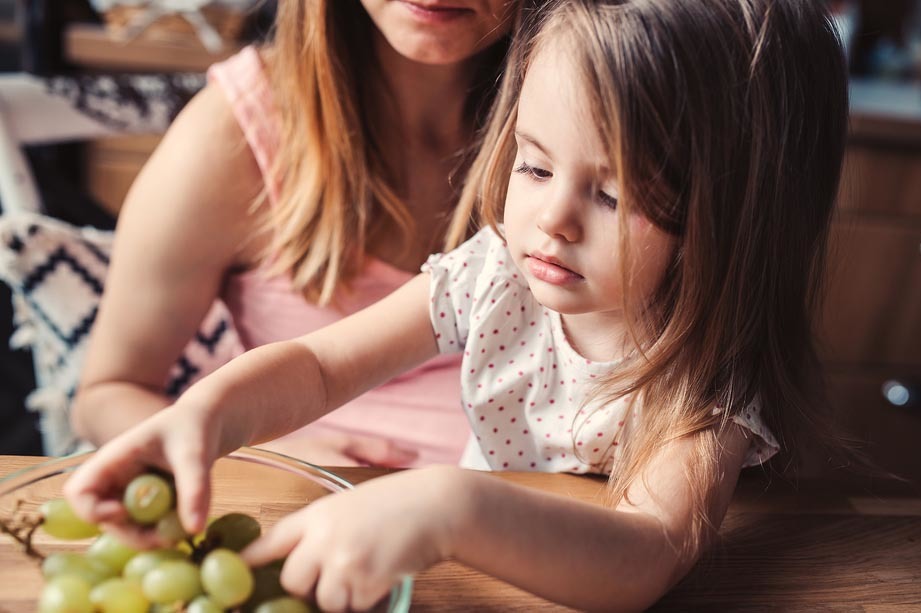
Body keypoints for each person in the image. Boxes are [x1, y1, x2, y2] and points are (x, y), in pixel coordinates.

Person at [65, 0, 853, 609]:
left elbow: (647, 552)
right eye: (535, 167)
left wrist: (444, 504)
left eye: (613, 193)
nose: (554, 220)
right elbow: (316, 366)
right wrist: (212, 415)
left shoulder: (702, 374)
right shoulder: (497, 275)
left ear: (732, 223)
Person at [70, 0, 526, 467]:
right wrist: (268, 457)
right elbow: (105, 397)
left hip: (543, 516)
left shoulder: (588, 115)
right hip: (324, 511)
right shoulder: (234, 133)